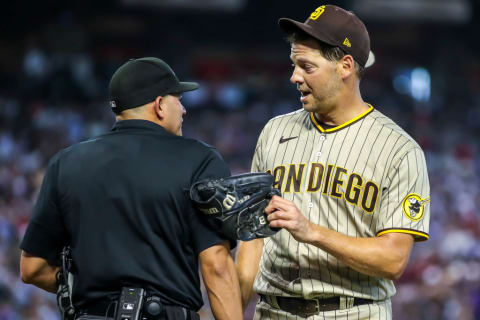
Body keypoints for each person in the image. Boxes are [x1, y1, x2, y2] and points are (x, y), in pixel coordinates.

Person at [236, 5, 430, 320]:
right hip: (271, 310)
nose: (294, 76)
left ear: (345, 66)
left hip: (354, 312)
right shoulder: (274, 131)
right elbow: (253, 240)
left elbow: (394, 259)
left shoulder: (399, 149)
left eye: (306, 66)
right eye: (293, 64)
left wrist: (312, 231)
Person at [19, 57, 242, 320]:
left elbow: (32, 268)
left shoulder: (65, 162)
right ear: (159, 105)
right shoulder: (200, 160)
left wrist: (85, 289)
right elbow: (216, 265)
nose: (183, 109)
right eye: (178, 99)